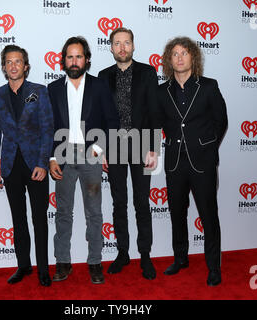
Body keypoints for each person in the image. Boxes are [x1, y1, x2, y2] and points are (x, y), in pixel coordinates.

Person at [48, 36, 119, 284]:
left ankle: (95, 262)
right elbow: (49, 127)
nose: (74, 61)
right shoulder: (54, 89)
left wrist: (99, 150)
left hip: (91, 158)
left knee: (94, 213)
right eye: (70, 56)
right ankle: (63, 262)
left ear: (86, 59)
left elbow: (112, 121)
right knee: (63, 212)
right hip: (63, 157)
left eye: (79, 56)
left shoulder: (99, 86)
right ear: (63, 60)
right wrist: (51, 157)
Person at [157, 37, 228, 286]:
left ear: (193, 58)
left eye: (184, 53)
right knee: (177, 213)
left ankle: (214, 267)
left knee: (209, 215)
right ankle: (181, 258)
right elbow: (158, 123)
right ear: (169, 60)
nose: (179, 57)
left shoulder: (208, 86)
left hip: (203, 163)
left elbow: (221, 121)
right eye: (174, 54)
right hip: (175, 163)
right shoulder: (161, 91)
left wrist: (207, 147)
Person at [0, 45, 54, 287]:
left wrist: (43, 163)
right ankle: (23, 266)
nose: (13, 65)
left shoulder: (39, 91)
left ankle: (44, 270)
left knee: (39, 219)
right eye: (9, 62)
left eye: (18, 61)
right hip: (9, 166)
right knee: (19, 220)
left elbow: (48, 130)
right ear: (4, 67)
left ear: (26, 66)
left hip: (35, 165)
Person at [98, 28, 160, 280]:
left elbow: (155, 111)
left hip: (142, 145)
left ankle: (145, 255)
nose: (122, 48)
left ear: (134, 46)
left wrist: (154, 148)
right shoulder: (103, 76)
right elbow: (100, 116)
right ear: (111, 47)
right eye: (117, 43)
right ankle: (123, 253)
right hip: (113, 147)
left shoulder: (148, 73)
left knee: (142, 203)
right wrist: (100, 149)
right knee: (119, 202)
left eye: (126, 43)